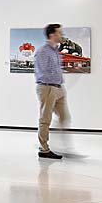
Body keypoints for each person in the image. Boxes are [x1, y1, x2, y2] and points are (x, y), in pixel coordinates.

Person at [35, 23, 70, 159]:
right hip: (47, 87)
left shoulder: (55, 51)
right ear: (52, 35)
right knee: (45, 119)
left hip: (58, 88)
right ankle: (44, 149)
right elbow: (43, 72)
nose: (62, 35)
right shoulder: (43, 51)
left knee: (64, 117)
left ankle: (61, 145)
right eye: (60, 33)